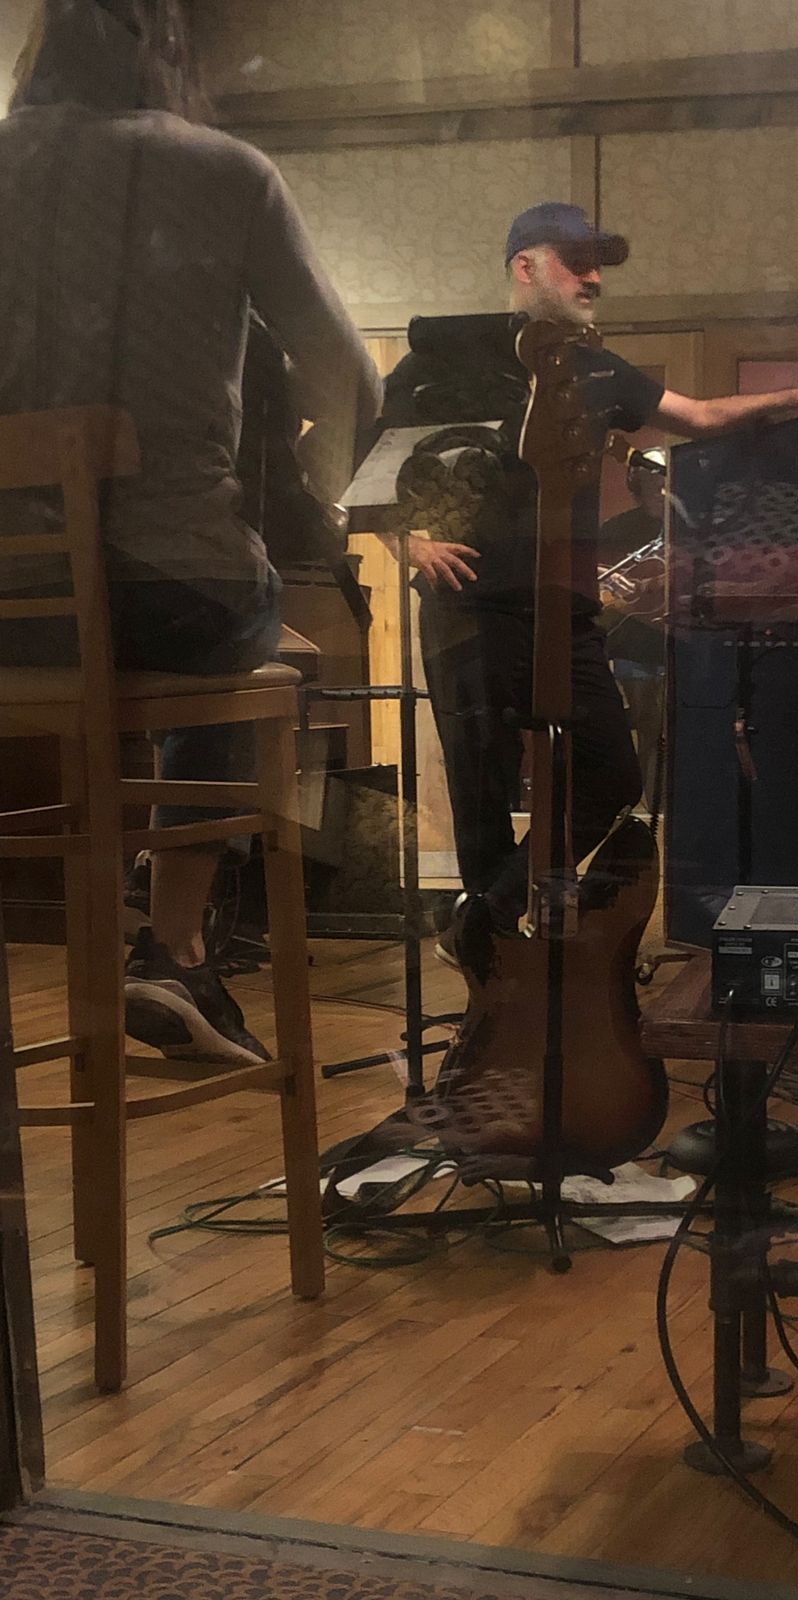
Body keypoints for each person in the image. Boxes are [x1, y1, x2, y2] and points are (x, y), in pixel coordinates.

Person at [0, 0, 382, 1061]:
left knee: (171, 641)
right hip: (169, 588)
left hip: (8, 611)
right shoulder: (224, 171)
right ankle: (173, 946)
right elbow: (349, 377)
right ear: (164, 48)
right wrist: (316, 488)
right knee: (256, 633)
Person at [383, 200, 798, 949]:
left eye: (598, 266)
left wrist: (793, 399)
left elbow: (697, 416)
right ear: (526, 266)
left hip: (564, 610)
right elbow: (368, 469)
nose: (594, 278)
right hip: (468, 603)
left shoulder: (594, 367)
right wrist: (408, 544)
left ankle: (480, 921)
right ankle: (495, 968)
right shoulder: (438, 363)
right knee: (481, 787)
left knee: (611, 777)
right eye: (577, 263)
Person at [598, 446, 669, 805]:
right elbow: (590, 576)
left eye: (663, 482)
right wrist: (608, 581)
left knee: (674, 727)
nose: (658, 490)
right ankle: (641, 808)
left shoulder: (688, 527)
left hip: (677, 644)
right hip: (632, 643)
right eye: (649, 483)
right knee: (647, 725)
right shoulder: (616, 529)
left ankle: (666, 808)